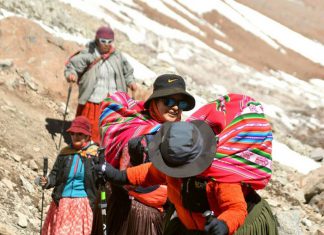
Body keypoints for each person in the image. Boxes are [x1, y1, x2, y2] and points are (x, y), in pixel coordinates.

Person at [95, 120, 247, 235]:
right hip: (183, 226)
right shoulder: (171, 164)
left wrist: (224, 224)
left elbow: (236, 208)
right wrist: (118, 175)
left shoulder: (221, 176)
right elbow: (150, 173)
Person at [91, 74, 196, 235]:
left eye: (180, 103)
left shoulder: (182, 136)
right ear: (154, 101)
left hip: (152, 213)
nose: (175, 108)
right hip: (124, 206)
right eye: (168, 101)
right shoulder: (137, 127)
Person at [64, 25, 137, 143]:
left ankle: (108, 150)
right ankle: (87, 149)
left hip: (114, 101)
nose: (106, 44)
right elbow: (72, 66)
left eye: (109, 41)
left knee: (112, 127)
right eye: (103, 41)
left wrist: (131, 82)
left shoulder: (117, 56)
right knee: (91, 127)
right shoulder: (88, 54)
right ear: (97, 40)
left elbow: (127, 72)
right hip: (93, 99)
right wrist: (71, 75)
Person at [36, 116, 99, 235]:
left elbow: (101, 181)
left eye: (80, 134)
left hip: (82, 204)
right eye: (73, 134)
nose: (76, 137)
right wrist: (47, 181)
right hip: (62, 203)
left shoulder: (95, 155)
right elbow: (55, 175)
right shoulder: (65, 153)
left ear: (87, 136)